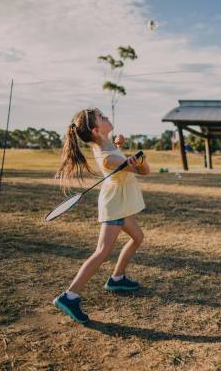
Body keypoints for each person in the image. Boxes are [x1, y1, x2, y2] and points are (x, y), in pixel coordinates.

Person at [52, 108, 150, 324]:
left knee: (138, 238)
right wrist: (139, 161)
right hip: (114, 207)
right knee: (102, 252)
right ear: (96, 130)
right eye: (103, 118)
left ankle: (117, 279)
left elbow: (114, 155)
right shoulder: (109, 158)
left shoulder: (106, 146)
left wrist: (120, 147)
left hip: (119, 204)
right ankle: (69, 296)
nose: (107, 118)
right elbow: (144, 172)